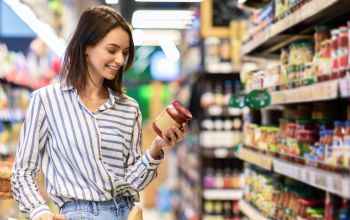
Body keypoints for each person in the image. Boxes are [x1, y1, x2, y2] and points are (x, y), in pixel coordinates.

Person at [11, 5, 189, 220]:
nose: (120, 60)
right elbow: (22, 172)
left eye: (124, 53)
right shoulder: (46, 101)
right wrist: (40, 212)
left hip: (126, 212)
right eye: (111, 50)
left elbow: (133, 181)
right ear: (87, 46)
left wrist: (156, 147)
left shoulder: (129, 108)